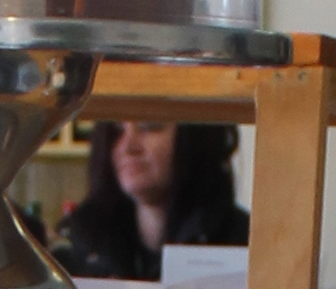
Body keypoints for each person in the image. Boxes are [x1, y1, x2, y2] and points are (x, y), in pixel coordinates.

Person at [57, 118, 249, 280]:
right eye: (117, 130)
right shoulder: (78, 246)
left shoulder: (247, 245)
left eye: (149, 127)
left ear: (197, 136)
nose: (128, 147)